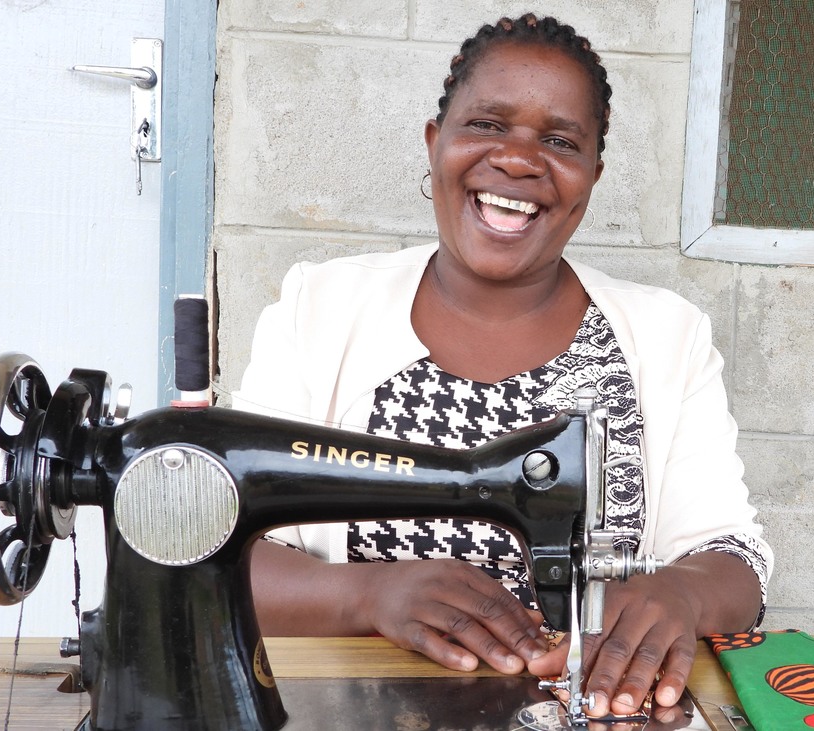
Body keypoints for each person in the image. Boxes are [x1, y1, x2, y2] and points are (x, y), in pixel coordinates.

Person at [234, 13, 772, 719]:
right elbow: (227, 544)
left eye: (559, 140)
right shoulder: (321, 307)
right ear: (437, 144)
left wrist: (681, 592)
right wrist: (369, 594)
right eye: (488, 125)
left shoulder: (665, 334)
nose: (519, 159)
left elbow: (733, 559)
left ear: (592, 176)